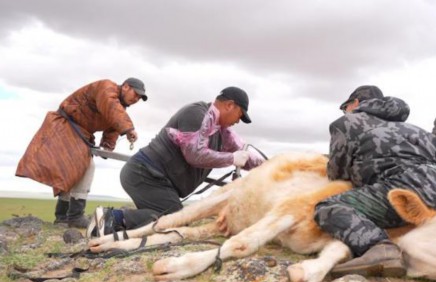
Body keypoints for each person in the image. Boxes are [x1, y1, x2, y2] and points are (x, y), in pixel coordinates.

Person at [313, 85, 436, 277]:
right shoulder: (414, 129)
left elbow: (337, 173)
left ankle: (379, 249)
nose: (345, 111)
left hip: (407, 186)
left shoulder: (348, 122)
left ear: (355, 103)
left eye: (345, 107)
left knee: (327, 207)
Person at [87, 86, 264, 237]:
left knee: (171, 218)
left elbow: (245, 154)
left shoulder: (222, 131)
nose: (238, 121)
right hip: (145, 173)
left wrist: (270, 167)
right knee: (176, 221)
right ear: (230, 105)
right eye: (239, 115)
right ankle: (110, 218)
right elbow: (194, 154)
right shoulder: (197, 114)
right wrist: (231, 158)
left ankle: (117, 219)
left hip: (157, 180)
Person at [16, 78, 147, 228]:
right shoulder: (106, 87)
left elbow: (112, 126)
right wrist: (128, 129)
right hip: (66, 126)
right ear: (125, 87)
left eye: (139, 97)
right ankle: (74, 217)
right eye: (135, 94)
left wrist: (107, 147)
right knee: (84, 168)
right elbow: (112, 108)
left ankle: (62, 217)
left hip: (81, 134)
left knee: (73, 171)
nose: (136, 99)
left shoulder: (120, 108)